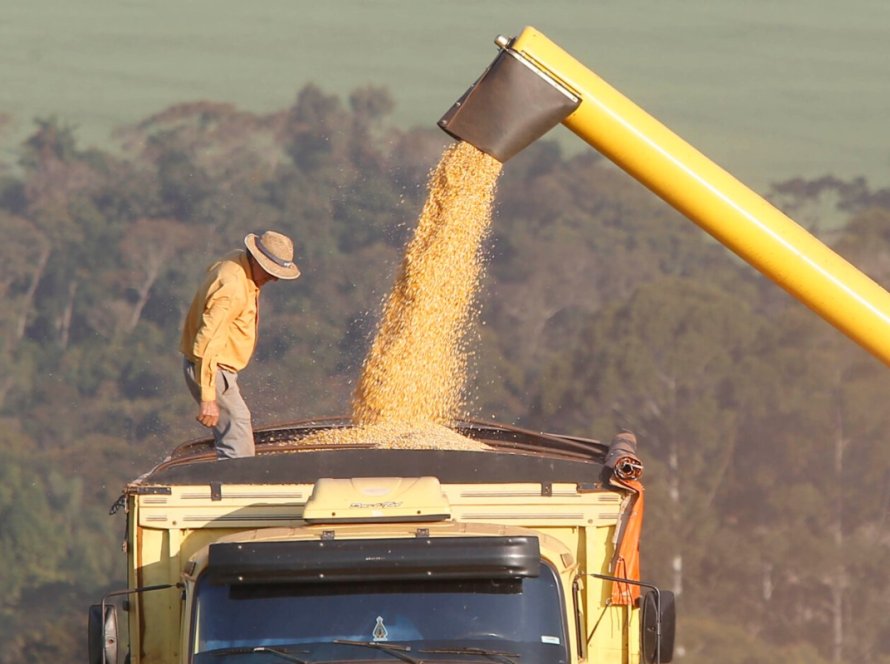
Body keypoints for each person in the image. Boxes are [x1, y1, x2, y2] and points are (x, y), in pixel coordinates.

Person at [180, 230, 301, 459]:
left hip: (215, 368)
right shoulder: (232, 287)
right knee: (237, 433)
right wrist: (208, 398)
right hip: (211, 368)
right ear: (255, 259)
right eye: (269, 272)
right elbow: (207, 341)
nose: (273, 279)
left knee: (237, 425)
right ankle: (232, 487)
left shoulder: (236, 261)